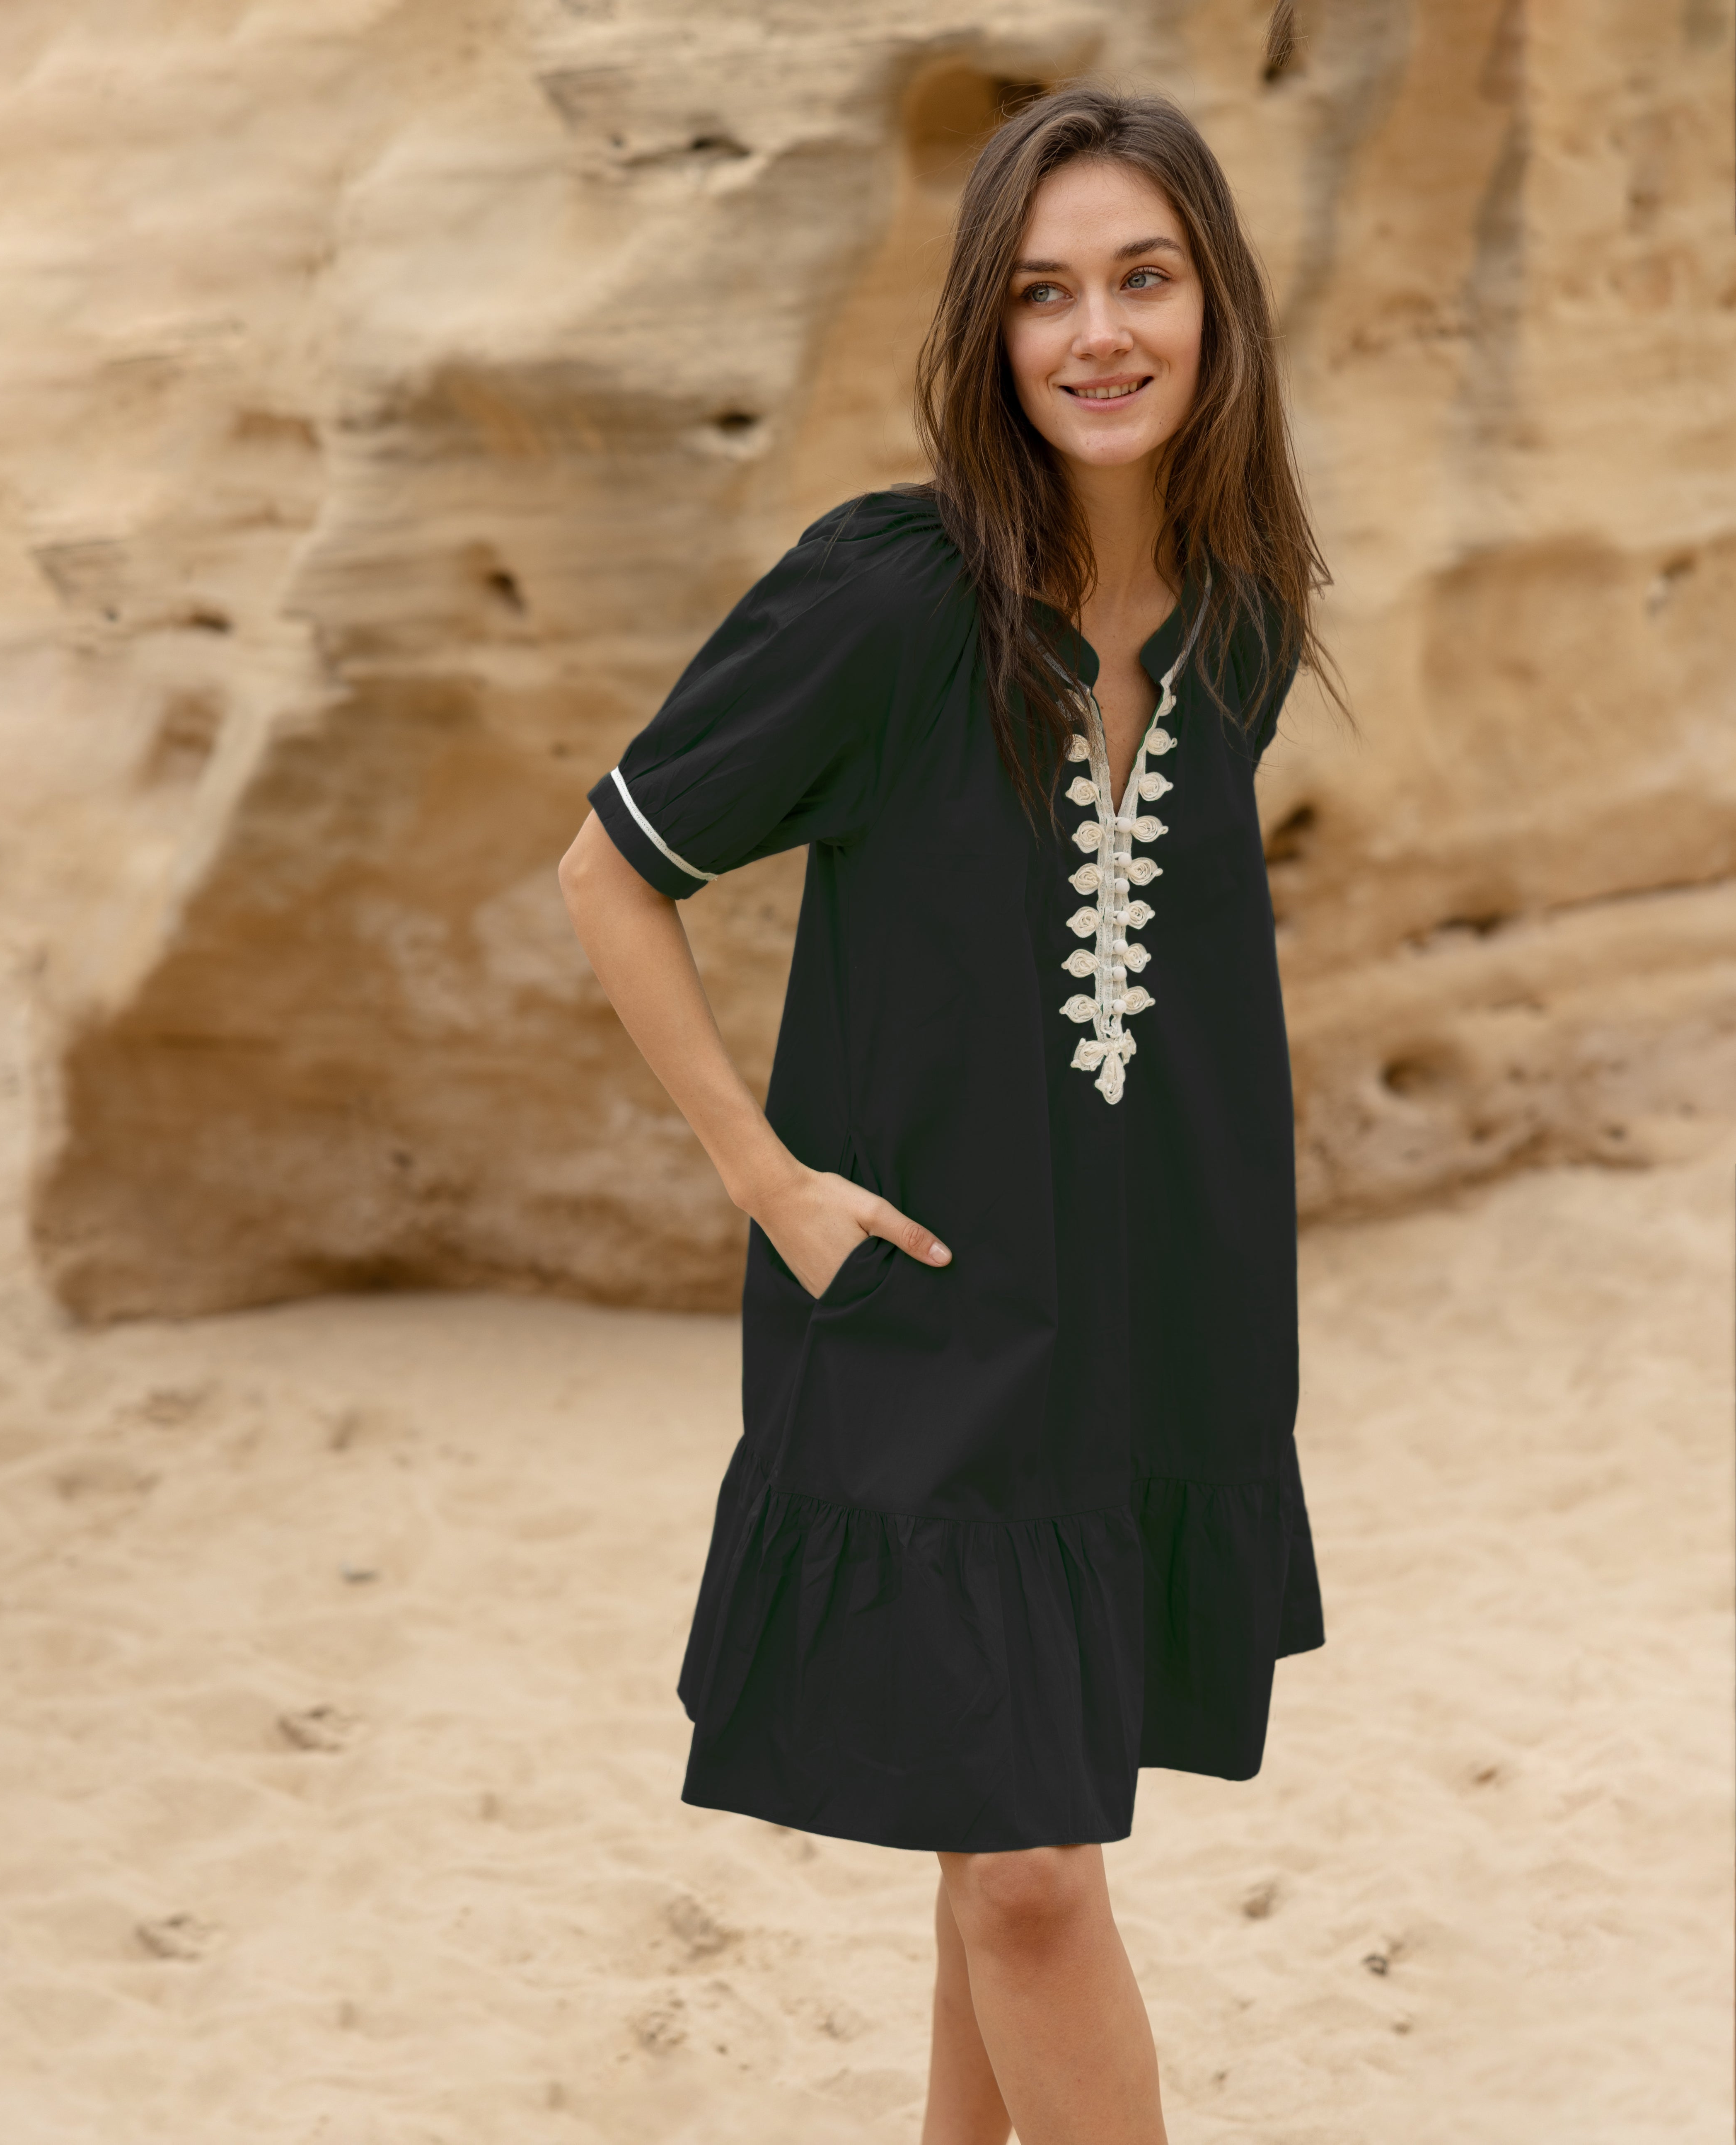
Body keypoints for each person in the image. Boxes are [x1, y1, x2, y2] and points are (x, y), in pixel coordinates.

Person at [560, 82, 1338, 2145]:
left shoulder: (1240, 611)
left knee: (1002, 1840)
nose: (1098, 334)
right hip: (916, 1312)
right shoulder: (889, 597)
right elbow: (608, 870)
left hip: (1145, 1312)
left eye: (1142, 280)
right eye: (1042, 293)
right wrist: (765, 1177)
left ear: (1213, 307)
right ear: (987, 339)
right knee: (1025, 1872)